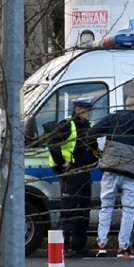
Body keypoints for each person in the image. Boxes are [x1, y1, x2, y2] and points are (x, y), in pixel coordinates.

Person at [87, 95, 134, 259]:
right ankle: (123, 248)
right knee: (129, 209)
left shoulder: (113, 118)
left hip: (111, 168)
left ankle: (101, 245)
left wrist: (96, 151)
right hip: (132, 173)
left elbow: (90, 133)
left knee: (106, 207)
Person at [47, 97, 99, 258]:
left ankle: (79, 246)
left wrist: (96, 157)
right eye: (87, 110)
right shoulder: (67, 124)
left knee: (83, 211)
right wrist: (63, 162)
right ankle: (60, 247)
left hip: (84, 173)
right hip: (71, 174)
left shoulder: (87, 127)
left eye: (90, 110)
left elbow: (91, 148)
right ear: (78, 110)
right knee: (68, 211)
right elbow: (52, 143)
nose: (90, 113)